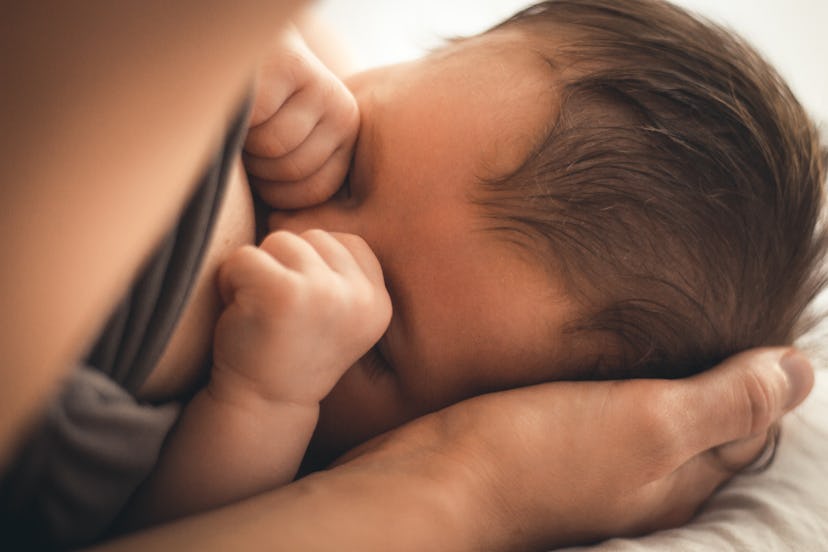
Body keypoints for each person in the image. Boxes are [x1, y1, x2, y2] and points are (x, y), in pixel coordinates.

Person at [0, 1, 816, 550]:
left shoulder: (263, 441)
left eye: (378, 343)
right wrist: (247, 55)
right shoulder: (308, 62)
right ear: (429, 64)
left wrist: (262, 396)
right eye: (357, 164)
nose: (298, 238)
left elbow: (174, 526)